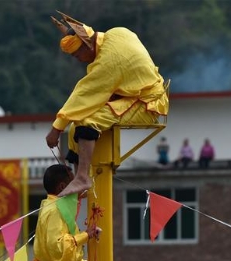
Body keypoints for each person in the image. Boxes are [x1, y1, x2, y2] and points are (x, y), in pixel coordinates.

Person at [47, 12, 169, 197]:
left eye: (77, 54)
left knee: (88, 122)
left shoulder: (108, 62)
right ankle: (80, 180)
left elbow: (84, 93)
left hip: (148, 103)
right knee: (75, 127)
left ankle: (82, 179)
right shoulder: (118, 32)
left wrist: (57, 127)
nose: (78, 59)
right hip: (132, 95)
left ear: (87, 44)